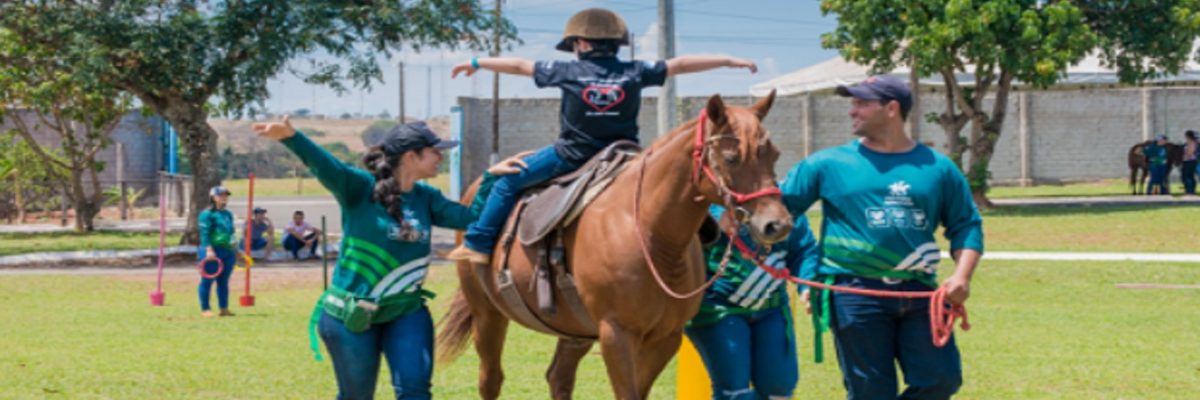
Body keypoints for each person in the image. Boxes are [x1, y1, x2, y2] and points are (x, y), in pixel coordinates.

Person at [445, 7, 760, 265]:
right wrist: (728, 61)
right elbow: (679, 65)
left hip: (571, 156)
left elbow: (519, 65)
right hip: (626, 158)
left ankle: (478, 243)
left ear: (581, 44)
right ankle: (702, 247)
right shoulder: (635, 71)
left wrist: (476, 62)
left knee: (507, 182)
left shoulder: (566, 71)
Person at [254, 116, 526, 399]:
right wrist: (291, 136)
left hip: (406, 312)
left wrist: (490, 179)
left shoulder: (427, 198)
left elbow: (470, 217)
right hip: (350, 315)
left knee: (416, 392)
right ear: (411, 156)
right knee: (356, 396)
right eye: (434, 151)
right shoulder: (359, 187)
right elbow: (325, 165)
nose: (440, 157)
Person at [780, 75, 984, 399]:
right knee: (871, 392)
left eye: (862, 103)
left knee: (942, 379)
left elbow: (967, 225)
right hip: (854, 293)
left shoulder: (939, 168)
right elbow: (774, 211)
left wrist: (962, 277)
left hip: (920, 290)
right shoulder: (826, 164)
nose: (852, 111)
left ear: (891, 108)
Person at [685, 205, 819, 400]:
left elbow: (804, 250)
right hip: (719, 308)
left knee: (779, 388)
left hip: (772, 308)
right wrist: (714, 223)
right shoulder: (709, 203)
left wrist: (807, 284)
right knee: (734, 391)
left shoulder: (786, 205)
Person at [197, 186, 249, 318]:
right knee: (207, 280)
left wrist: (236, 250)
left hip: (227, 251)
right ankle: (205, 309)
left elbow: (231, 233)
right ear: (213, 198)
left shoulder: (228, 214)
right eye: (220, 195)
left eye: (226, 195)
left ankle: (223, 308)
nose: (224, 198)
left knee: (223, 281)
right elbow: (204, 233)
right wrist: (209, 249)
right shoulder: (207, 214)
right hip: (212, 251)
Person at [1181, 130, 1198, 195]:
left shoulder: (1192, 142)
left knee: (1187, 176)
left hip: (1190, 161)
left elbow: (1190, 152)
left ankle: (1190, 190)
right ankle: (1190, 190)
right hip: (1188, 161)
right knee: (1189, 176)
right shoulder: (1187, 143)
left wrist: (1184, 156)